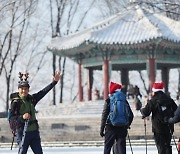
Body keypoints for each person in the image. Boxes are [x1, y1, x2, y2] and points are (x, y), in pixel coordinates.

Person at [9, 71, 61, 154]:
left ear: (28, 90)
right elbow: (12, 118)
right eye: (22, 89)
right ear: (18, 89)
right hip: (22, 132)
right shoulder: (15, 103)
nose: (24, 91)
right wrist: (22, 117)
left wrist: (54, 82)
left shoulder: (32, 99)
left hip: (34, 132)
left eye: (26, 89)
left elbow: (43, 92)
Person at [140, 82, 177, 154]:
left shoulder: (153, 101)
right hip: (169, 126)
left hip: (158, 128)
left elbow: (146, 112)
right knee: (167, 146)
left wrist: (142, 110)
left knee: (161, 147)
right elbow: (176, 111)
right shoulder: (169, 99)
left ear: (155, 91)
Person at [100, 81, 134, 154]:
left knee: (107, 147)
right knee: (121, 148)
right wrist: (127, 125)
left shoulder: (109, 100)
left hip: (110, 127)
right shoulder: (124, 100)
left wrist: (102, 129)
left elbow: (104, 115)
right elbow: (131, 115)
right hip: (122, 127)